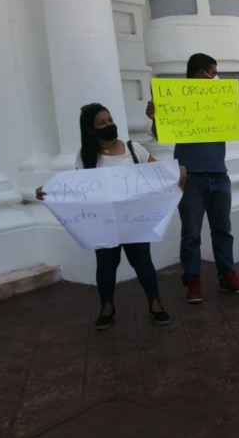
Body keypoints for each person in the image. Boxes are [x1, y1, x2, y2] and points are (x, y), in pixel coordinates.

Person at [36, 103, 182, 329]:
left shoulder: (134, 149)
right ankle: (107, 306)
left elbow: (160, 173)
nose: (109, 125)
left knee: (142, 262)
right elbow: (76, 189)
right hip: (104, 223)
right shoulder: (86, 157)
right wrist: (50, 192)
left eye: (110, 120)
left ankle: (155, 304)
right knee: (105, 264)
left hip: (135, 222)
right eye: (102, 123)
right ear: (91, 130)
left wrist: (179, 171)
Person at [146, 53, 239, 304]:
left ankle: (227, 275)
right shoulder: (178, 99)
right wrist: (155, 117)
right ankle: (192, 280)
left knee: (222, 230)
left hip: (219, 174)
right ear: (200, 72)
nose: (214, 78)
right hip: (190, 177)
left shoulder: (219, 101)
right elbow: (161, 134)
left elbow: (230, 127)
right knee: (191, 233)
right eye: (211, 72)